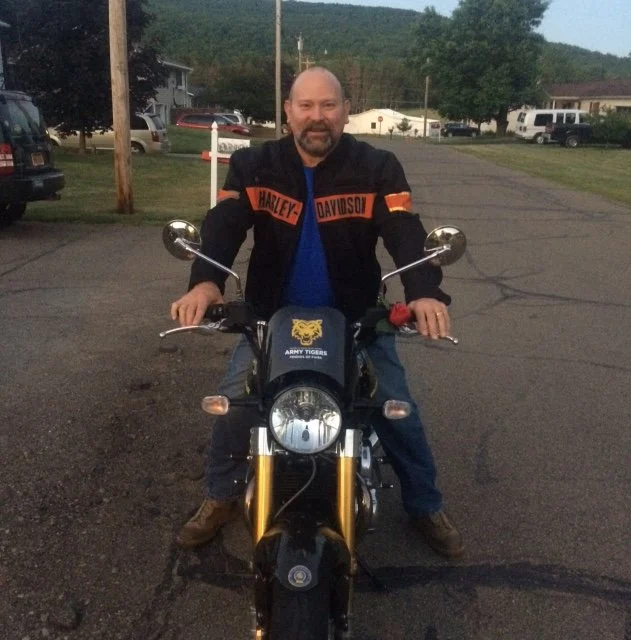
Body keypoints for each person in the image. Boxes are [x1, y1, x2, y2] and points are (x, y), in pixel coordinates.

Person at [170, 67, 464, 559]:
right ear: (288, 112)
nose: (317, 117)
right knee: (236, 405)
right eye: (305, 106)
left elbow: (404, 229)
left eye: (328, 105)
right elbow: (225, 223)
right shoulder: (253, 164)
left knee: (395, 408)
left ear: (346, 111)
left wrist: (423, 293)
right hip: (270, 316)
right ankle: (220, 497)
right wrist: (205, 281)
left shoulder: (377, 166)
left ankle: (424, 505)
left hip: (355, 317)